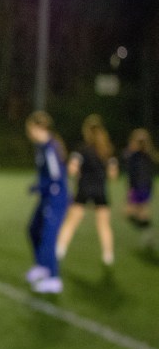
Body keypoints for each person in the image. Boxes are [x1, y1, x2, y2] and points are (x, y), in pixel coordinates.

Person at [56, 114, 119, 267]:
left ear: (86, 131)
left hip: (84, 188)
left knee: (72, 221)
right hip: (100, 190)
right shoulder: (107, 151)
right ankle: (108, 256)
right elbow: (113, 175)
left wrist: (75, 172)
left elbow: (72, 169)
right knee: (104, 224)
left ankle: (59, 250)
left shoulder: (82, 150)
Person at [24, 111, 68, 294]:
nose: (29, 133)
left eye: (30, 128)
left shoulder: (51, 148)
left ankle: (54, 279)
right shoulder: (42, 147)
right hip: (47, 197)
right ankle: (42, 266)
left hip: (55, 198)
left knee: (48, 238)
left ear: (39, 127)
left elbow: (55, 178)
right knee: (33, 229)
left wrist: (39, 187)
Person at [123, 127, 157, 246]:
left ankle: (148, 232)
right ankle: (148, 232)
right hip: (145, 186)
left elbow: (136, 173)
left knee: (131, 213)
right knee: (139, 213)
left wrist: (131, 188)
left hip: (140, 187)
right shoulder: (143, 155)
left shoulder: (140, 155)